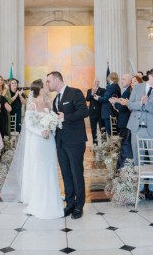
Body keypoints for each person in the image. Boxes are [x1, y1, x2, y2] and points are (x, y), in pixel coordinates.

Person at [1, 79, 64, 219]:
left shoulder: (49, 103)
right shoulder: (33, 105)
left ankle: (52, 201)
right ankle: (39, 202)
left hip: (49, 142)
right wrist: (40, 132)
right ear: (40, 89)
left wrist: (52, 126)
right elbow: (28, 125)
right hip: (38, 141)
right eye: (45, 85)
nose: (48, 86)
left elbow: (52, 119)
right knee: (39, 169)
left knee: (50, 169)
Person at [47, 71, 89, 219]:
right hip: (61, 142)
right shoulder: (56, 99)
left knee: (76, 173)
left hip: (75, 141)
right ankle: (69, 204)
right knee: (65, 173)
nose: (48, 84)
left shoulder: (74, 92)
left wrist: (66, 117)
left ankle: (79, 205)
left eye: (49, 81)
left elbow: (84, 111)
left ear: (57, 80)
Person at [127, 68, 153, 200]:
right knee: (138, 159)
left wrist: (147, 103)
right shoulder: (137, 88)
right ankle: (141, 187)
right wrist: (140, 103)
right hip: (136, 128)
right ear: (150, 76)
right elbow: (130, 105)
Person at [97, 72, 121, 137]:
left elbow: (105, 99)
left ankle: (112, 146)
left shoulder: (111, 87)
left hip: (108, 112)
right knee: (113, 132)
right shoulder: (117, 86)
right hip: (113, 111)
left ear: (110, 78)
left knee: (110, 133)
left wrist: (98, 98)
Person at [86, 78, 105, 145]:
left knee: (102, 128)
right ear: (93, 82)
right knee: (93, 129)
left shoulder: (102, 90)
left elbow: (103, 99)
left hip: (100, 112)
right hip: (92, 113)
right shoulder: (89, 90)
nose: (96, 83)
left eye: (98, 81)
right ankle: (95, 143)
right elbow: (87, 99)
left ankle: (104, 143)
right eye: (95, 81)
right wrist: (92, 93)